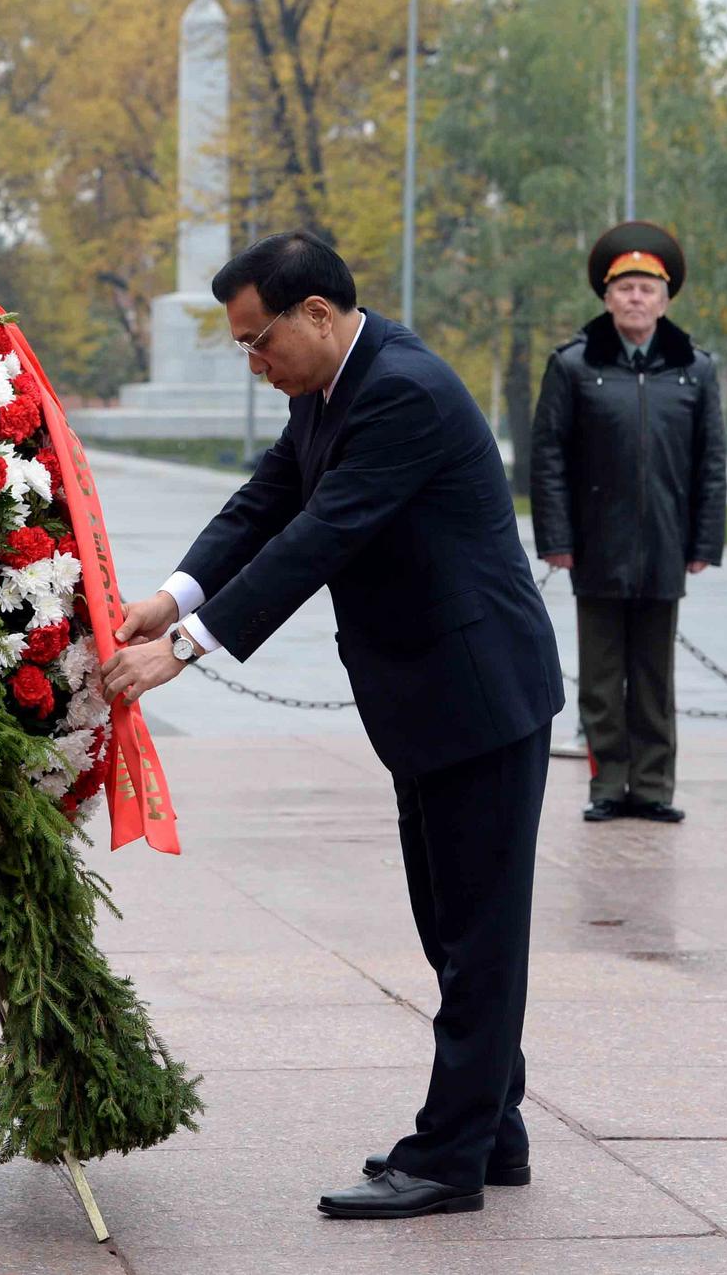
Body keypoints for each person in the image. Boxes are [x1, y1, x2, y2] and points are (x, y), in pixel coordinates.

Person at [100, 231, 562, 1221]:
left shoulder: (404, 391)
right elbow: (266, 502)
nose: (254, 363)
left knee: (477, 934)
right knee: (456, 926)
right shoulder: (323, 391)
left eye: (259, 341)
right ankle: (495, 1129)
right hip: (429, 702)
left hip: (479, 698)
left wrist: (183, 649)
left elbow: (322, 535)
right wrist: (170, 592)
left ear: (319, 312)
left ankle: (447, 1154)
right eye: (242, 347)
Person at [529, 222, 726, 825]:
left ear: (665, 300)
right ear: (607, 298)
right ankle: (607, 784)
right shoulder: (573, 366)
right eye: (626, 288)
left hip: (666, 544)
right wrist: (557, 540)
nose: (637, 298)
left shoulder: (694, 370)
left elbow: (710, 463)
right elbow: (549, 458)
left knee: (654, 678)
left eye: (647, 288)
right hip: (596, 545)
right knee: (601, 677)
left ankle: (654, 786)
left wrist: (703, 542)